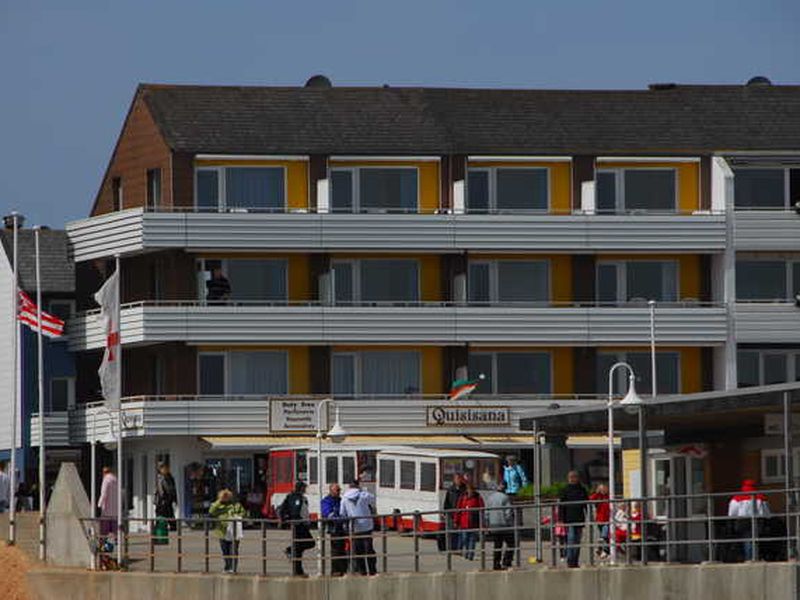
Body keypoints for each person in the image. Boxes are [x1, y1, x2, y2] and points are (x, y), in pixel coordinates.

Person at [339, 479, 377, 575]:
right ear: (358, 486)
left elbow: (342, 513)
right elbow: (373, 499)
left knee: (358, 551)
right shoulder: (363, 495)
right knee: (369, 549)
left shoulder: (344, 497)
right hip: (366, 526)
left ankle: (362, 571)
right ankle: (372, 571)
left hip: (355, 527)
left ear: (349, 487)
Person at [728, 479, 771, 561]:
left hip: (743, 521)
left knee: (747, 540)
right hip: (757, 520)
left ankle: (749, 558)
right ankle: (754, 557)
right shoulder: (761, 497)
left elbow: (732, 513)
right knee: (755, 540)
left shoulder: (737, 498)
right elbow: (767, 513)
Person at [279, 481, 315, 576]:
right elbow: (295, 511)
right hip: (299, 525)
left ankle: (298, 570)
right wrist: (298, 520)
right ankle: (291, 550)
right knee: (310, 543)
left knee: (299, 551)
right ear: (301, 488)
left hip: (302, 524)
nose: (305, 490)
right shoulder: (295, 497)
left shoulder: (299, 497)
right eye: (304, 488)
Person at [208, 489, 246, 573]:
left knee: (233, 550)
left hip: (234, 531)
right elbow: (211, 511)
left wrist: (236, 516)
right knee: (225, 551)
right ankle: (227, 566)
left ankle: (233, 568)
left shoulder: (236, 505)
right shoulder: (218, 506)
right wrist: (219, 501)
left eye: (227, 497)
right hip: (222, 532)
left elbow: (243, 513)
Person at [559, 470, 588, 568]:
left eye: (575, 477)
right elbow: (561, 505)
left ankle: (575, 560)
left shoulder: (582, 489)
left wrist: (587, 516)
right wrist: (561, 518)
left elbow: (586, 504)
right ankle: (570, 560)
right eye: (571, 477)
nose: (573, 479)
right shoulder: (565, 490)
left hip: (579, 517)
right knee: (571, 539)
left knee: (577, 540)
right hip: (569, 518)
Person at [485, 480, 515, 570]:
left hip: (493, 525)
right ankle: (506, 562)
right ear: (505, 487)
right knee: (511, 543)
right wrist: (511, 524)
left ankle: (496, 564)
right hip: (504, 525)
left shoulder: (490, 498)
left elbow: (486, 513)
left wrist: (488, 524)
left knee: (497, 545)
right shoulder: (505, 498)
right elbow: (508, 513)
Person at [321, 483, 348, 576]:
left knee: (344, 550)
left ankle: (344, 570)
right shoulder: (326, 501)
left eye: (339, 490)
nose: (339, 492)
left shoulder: (340, 500)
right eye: (337, 490)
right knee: (336, 551)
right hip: (334, 529)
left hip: (343, 529)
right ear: (331, 491)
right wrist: (340, 518)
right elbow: (328, 514)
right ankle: (335, 571)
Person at [455, 482, 485, 561]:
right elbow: (458, 509)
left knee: (472, 539)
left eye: (472, 490)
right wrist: (456, 521)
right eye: (469, 490)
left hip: (474, 522)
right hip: (464, 522)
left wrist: (483, 523)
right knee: (465, 539)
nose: (470, 491)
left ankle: (470, 555)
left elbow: (482, 510)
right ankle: (467, 552)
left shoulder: (478, 497)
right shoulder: (463, 497)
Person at [442, 473, 465, 553]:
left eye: (459, 478)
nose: (458, 480)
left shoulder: (464, 489)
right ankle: (452, 548)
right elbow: (447, 502)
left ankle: (459, 549)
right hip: (452, 514)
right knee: (451, 532)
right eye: (457, 479)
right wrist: (445, 512)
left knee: (460, 533)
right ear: (454, 480)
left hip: (461, 514)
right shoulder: (450, 489)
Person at [589, 483, 610, 558]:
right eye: (601, 489)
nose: (603, 490)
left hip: (608, 519)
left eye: (604, 489)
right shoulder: (598, 496)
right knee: (604, 535)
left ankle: (604, 550)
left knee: (604, 535)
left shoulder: (609, 496)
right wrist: (597, 493)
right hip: (600, 519)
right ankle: (602, 549)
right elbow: (591, 499)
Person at [155, 463, 178, 531]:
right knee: (160, 518)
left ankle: (173, 531)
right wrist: (162, 498)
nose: (165, 470)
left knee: (171, 518)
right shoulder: (160, 478)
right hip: (161, 502)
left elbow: (173, 489)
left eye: (166, 468)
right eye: (163, 468)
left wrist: (175, 499)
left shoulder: (170, 478)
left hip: (169, 501)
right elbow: (160, 490)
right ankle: (159, 532)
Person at [98, 466, 119, 537]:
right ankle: (116, 540)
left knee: (104, 531)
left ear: (104, 473)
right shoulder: (116, 480)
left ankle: (103, 544)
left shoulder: (106, 480)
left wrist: (99, 505)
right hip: (115, 510)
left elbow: (104, 494)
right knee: (115, 529)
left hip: (106, 510)